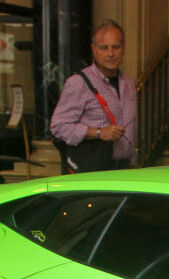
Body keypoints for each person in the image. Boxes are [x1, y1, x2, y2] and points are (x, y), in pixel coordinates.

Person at [50, 20, 138, 173]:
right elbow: (58, 126)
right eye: (104, 48)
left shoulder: (128, 83)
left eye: (115, 47)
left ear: (123, 49)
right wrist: (98, 132)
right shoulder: (78, 83)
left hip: (124, 170)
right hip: (92, 170)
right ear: (94, 49)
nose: (110, 53)